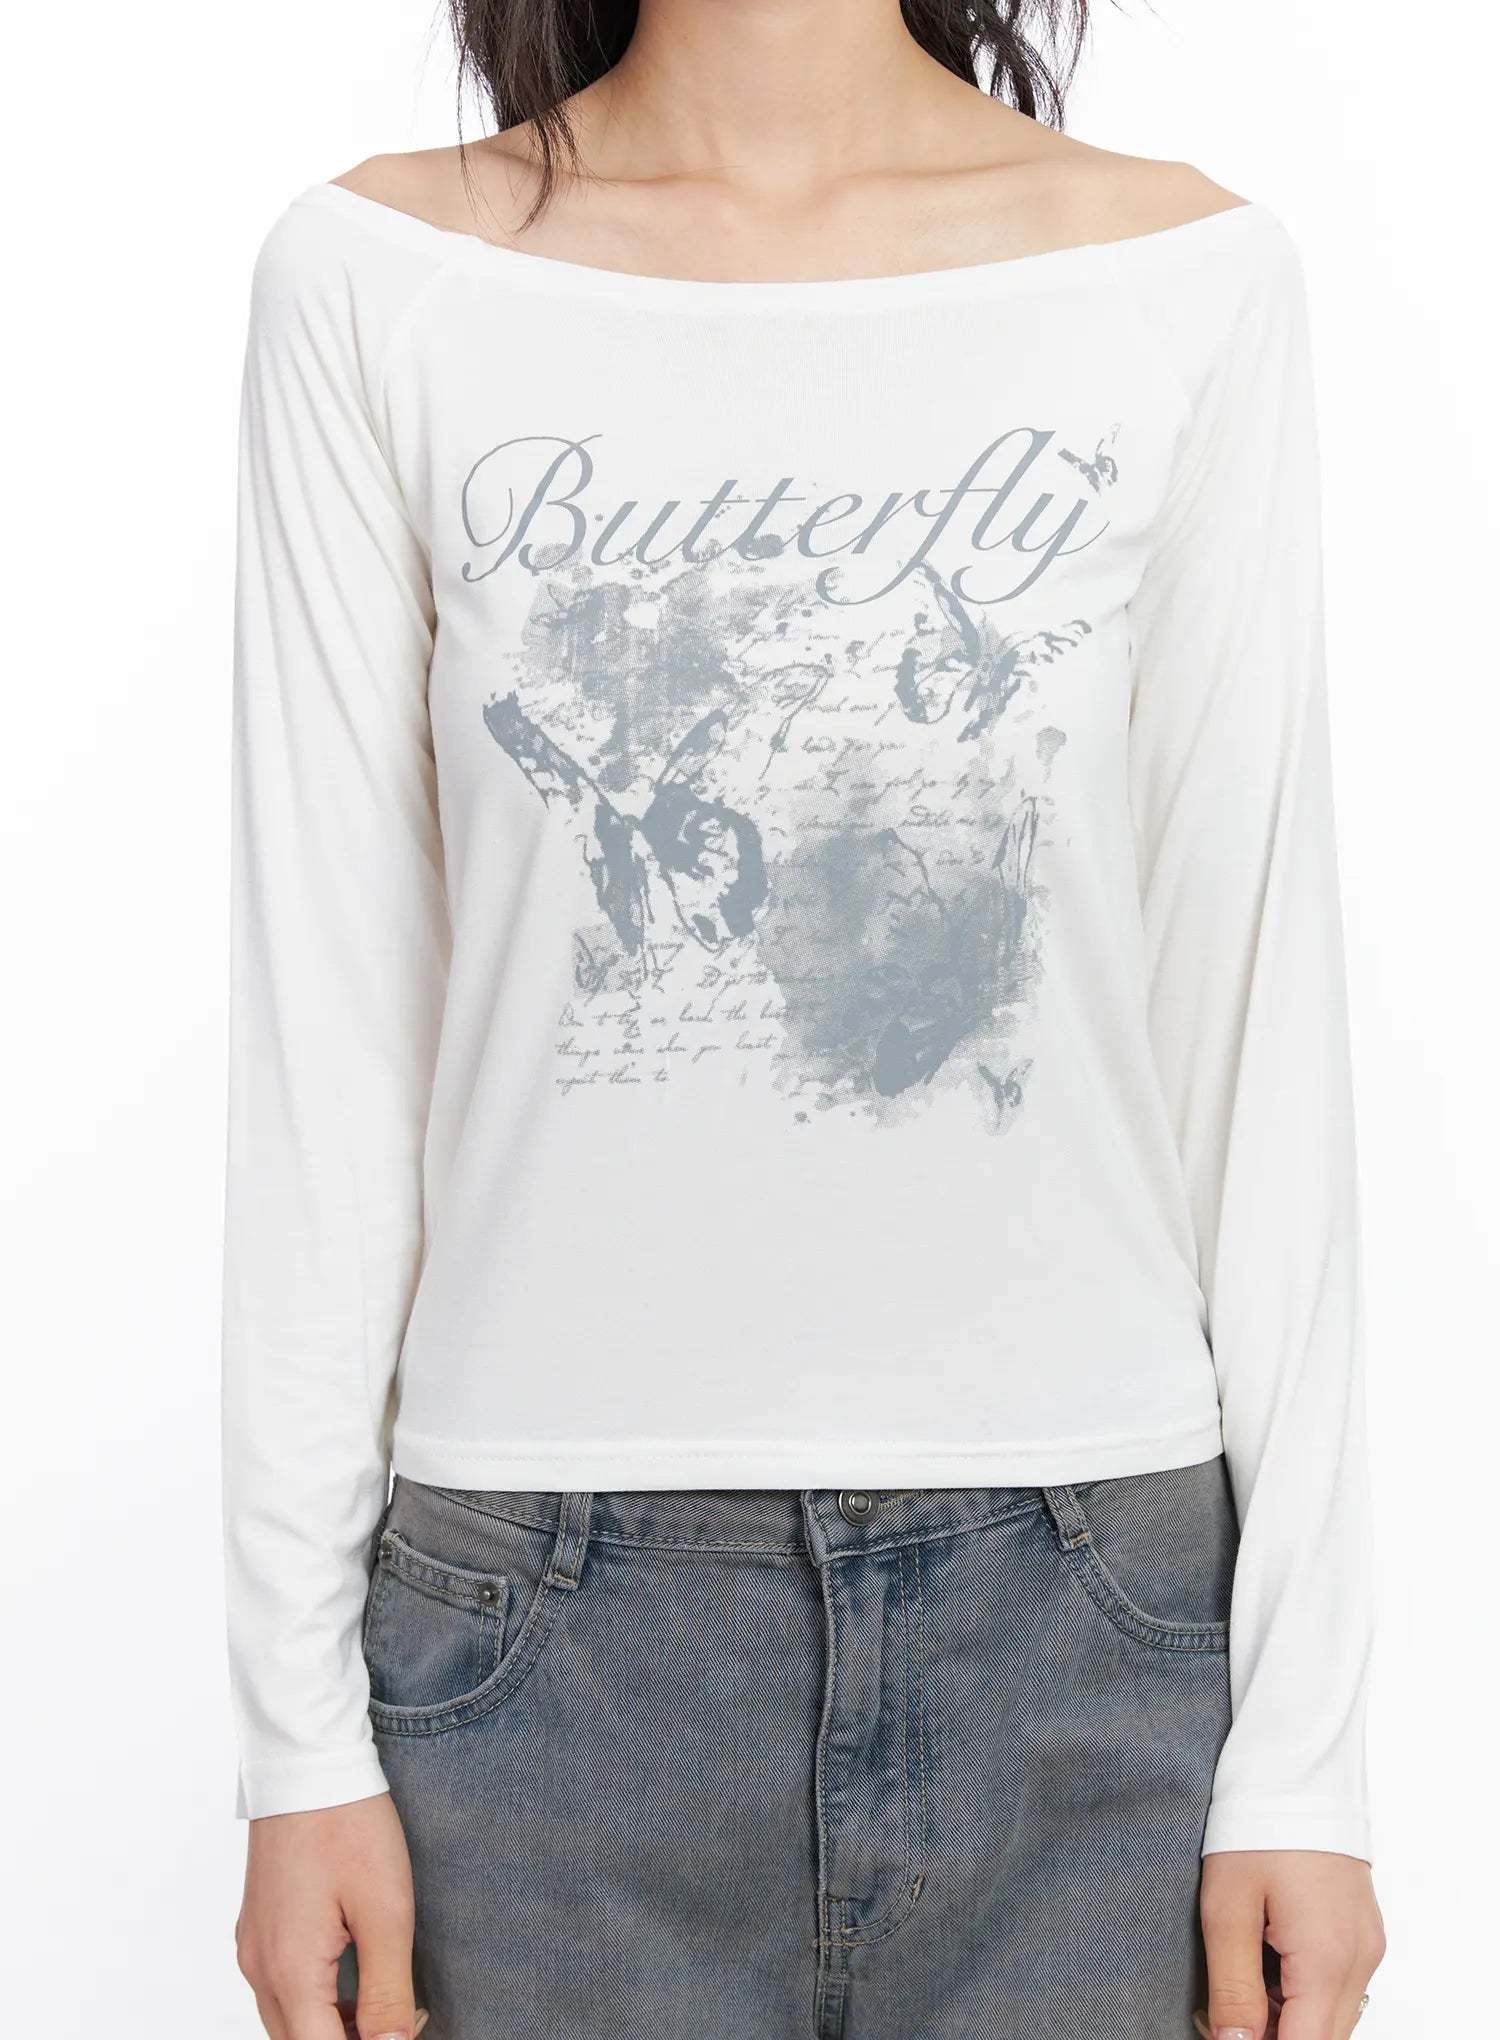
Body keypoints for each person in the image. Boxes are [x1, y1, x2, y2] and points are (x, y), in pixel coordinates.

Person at [223, 2, 1386, 2035]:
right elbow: (328, 1037)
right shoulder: (384, 280)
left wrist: (1307, 1756)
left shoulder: (1181, 281)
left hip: (1088, 1615)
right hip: (539, 1649)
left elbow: (1251, 1020)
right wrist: (293, 1735)